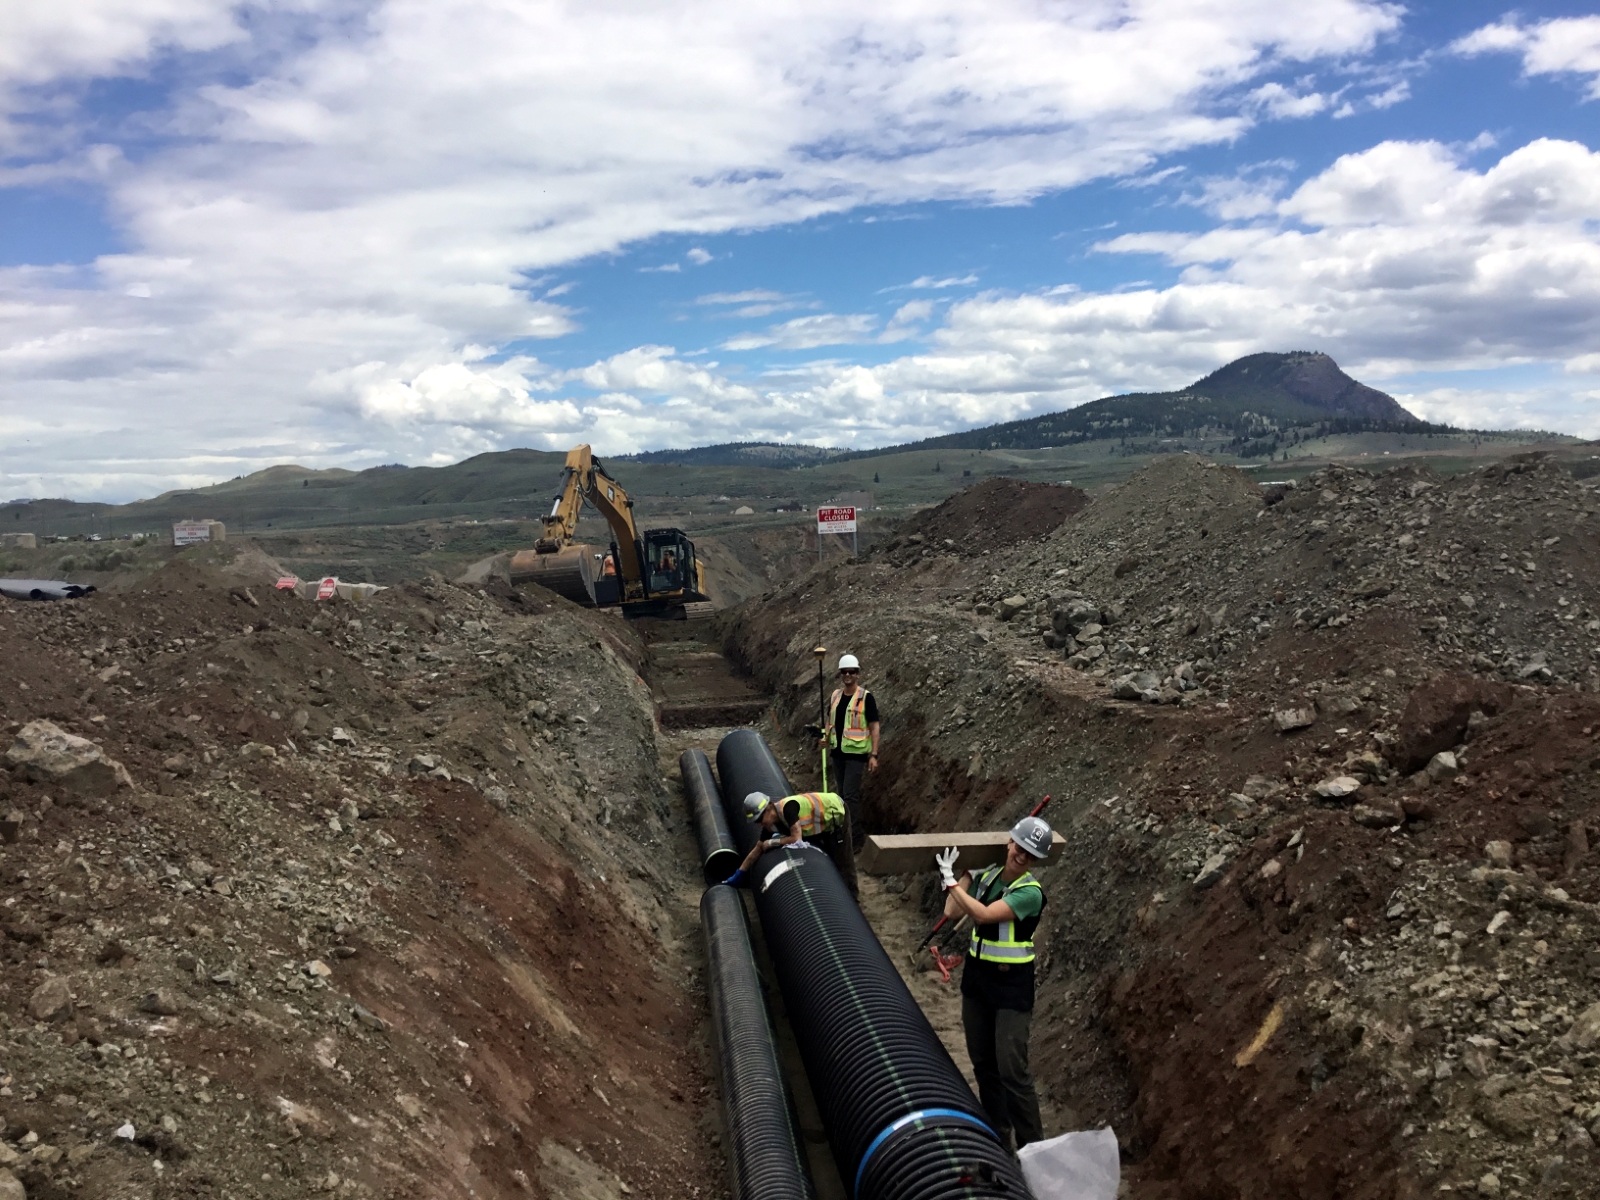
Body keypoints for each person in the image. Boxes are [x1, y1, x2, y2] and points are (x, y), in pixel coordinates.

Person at [936, 816, 1051, 1150]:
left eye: (1031, 853)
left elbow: (984, 915)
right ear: (1009, 843)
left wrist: (953, 884)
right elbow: (952, 911)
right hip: (977, 979)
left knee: (1012, 1069)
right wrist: (960, 877)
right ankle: (999, 1136)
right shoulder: (985, 875)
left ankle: (1033, 1148)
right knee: (984, 1063)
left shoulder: (1030, 893)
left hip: (1012, 985)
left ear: (1036, 860)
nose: (1023, 856)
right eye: (1020, 846)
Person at [722, 790, 858, 900]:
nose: (759, 824)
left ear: (769, 808)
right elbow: (758, 848)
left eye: (759, 819)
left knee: (843, 861)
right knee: (828, 858)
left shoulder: (788, 809)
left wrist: (773, 842)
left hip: (836, 814)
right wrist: (740, 873)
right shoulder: (772, 823)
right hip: (821, 825)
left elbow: (797, 840)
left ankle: (852, 899)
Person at [822, 653, 879, 850]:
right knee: (841, 795)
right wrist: (825, 738)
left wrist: (873, 755)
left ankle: (855, 838)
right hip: (837, 753)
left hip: (856, 755)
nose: (848, 675)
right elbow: (830, 720)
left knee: (850, 796)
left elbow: (874, 727)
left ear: (857, 674)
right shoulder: (836, 695)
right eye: (844, 672)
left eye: (851, 672)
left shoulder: (866, 698)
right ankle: (845, 833)